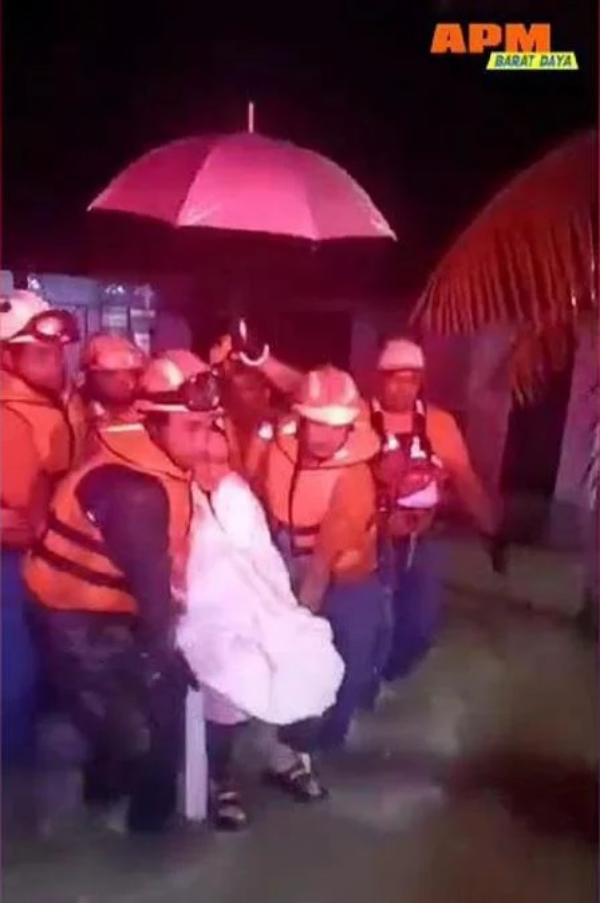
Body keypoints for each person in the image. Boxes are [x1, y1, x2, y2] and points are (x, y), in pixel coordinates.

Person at [23, 350, 210, 833]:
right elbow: (154, 598)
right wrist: (165, 657)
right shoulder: (134, 492)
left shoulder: (154, 462)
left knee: (149, 716)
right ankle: (143, 837)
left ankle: (109, 792)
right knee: (140, 733)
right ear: (152, 423)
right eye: (193, 428)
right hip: (74, 619)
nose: (205, 443)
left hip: (113, 609)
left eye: (209, 427)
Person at [248, 365, 389, 750]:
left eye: (336, 426)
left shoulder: (354, 477)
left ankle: (325, 740)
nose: (326, 436)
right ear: (300, 420)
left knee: (349, 664)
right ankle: (286, 733)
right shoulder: (279, 443)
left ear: (350, 426)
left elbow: (322, 564)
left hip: (346, 580)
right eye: (317, 424)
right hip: (286, 560)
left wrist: (299, 620)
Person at [372, 337, 502, 681]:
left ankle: (392, 680)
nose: (403, 388)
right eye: (395, 379)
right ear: (380, 378)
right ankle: (365, 685)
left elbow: (465, 479)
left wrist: (491, 531)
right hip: (370, 539)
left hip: (422, 538)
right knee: (372, 622)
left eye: (411, 379)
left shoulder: (438, 423)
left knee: (420, 625)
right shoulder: (357, 418)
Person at [0, 291, 79, 762]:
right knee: (14, 670)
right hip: (12, 561)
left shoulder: (55, 402)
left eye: (57, 354)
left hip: (50, 557)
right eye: (41, 355)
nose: (55, 364)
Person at [68, 333, 146, 463]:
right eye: (111, 374)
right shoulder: (76, 414)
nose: (127, 382)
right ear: (91, 375)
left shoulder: (147, 412)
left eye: (132, 373)